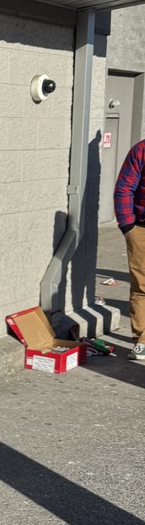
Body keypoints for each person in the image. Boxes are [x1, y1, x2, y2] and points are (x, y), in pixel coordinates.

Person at [114, 138, 145, 360]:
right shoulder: (142, 150)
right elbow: (124, 188)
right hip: (141, 229)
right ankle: (142, 340)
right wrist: (128, 226)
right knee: (142, 284)